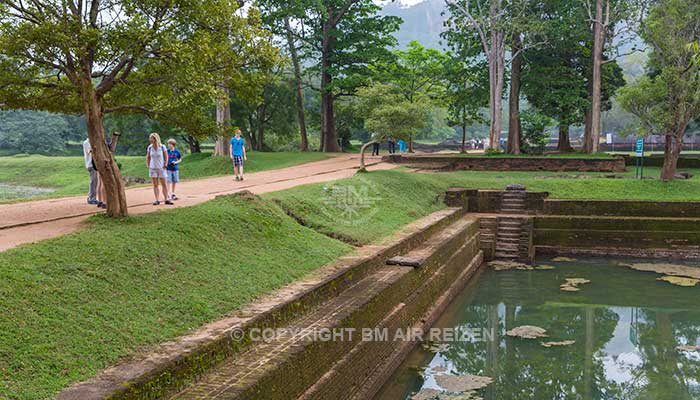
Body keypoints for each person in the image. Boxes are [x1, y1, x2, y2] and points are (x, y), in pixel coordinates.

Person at [146, 132, 173, 205]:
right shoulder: (150, 147)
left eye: (151, 138)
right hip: (153, 168)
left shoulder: (162, 147)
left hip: (161, 168)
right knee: (155, 185)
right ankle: (156, 200)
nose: (150, 139)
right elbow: (148, 157)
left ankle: (166, 199)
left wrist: (166, 164)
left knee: (164, 184)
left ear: (155, 139)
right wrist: (148, 165)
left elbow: (166, 156)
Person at [82, 138, 98, 205]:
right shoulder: (86, 142)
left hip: (95, 164)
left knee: (95, 181)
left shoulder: (94, 141)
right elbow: (91, 150)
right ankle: (91, 198)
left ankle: (92, 197)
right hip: (91, 164)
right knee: (93, 181)